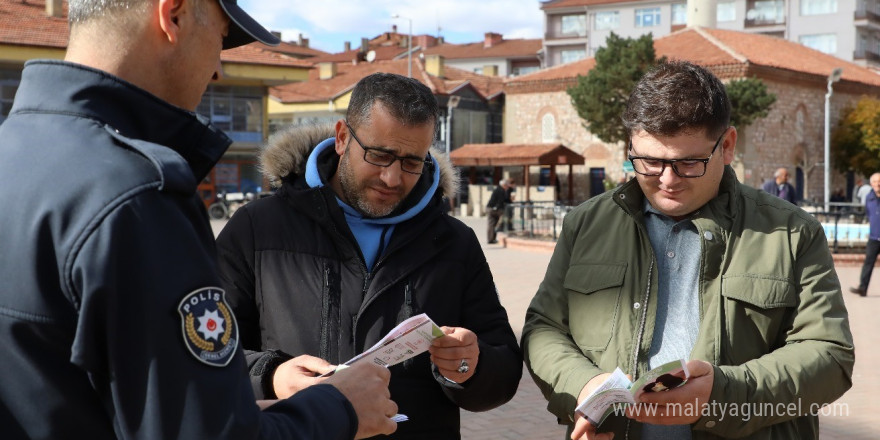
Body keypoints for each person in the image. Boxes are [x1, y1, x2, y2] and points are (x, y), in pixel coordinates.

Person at [0, 0, 398, 438]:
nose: (218, 72)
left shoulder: (14, 151)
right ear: (174, 14)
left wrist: (248, 409)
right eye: (221, 40)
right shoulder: (135, 195)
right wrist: (339, 407)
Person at [522, 61, 854, 440]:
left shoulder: (792, 232)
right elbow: (543, 328)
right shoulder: (585, 224)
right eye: (649, 161)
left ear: (726, 146)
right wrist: (583, 384)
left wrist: (722, 394)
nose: (667, 180)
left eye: (688, 163)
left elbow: (829, 356)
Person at [215, 72, 522, 439]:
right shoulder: (257, 227)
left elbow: (503, 369)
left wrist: (472, 366)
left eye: (412, 162)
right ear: (343, 137)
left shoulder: (454, 241)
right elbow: (206, 352)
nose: (392, 178)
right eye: (380, 156)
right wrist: (270, 375)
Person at [850, 172, 880, 297]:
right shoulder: (869, 197)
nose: (878, 184)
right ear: (871, 184)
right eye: (875, 182)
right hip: (874, 236)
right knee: (868, 263)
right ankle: (862, 288)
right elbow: (868, 213)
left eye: (879, 181)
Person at [486, 178, 515, 243]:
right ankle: (502, 229)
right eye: (507, 185)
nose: (507, 187)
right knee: (504, 217)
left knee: (491, 224)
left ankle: (491, 239)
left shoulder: (498, 189)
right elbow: (502, 201)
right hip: (493, 209)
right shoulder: (501, 190)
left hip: (491, 208)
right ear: (504, 185)